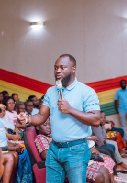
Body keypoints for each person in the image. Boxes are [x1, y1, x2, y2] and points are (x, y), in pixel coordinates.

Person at [17, 54, 101, 183]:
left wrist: (70, 110)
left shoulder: (86, 91)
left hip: (76, 150)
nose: (57, 71)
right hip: (54, 149)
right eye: (56, 68)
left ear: (73, 69)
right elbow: (41, 116)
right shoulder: (51, 91)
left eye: (62, 68)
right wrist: (27, 119)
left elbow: (96, 120)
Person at [0, 102, 33, 183]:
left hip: (1, 149)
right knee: (11, 156)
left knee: (16, 154)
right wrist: (12, 148)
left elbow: (2, 139)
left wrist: (13, 145)